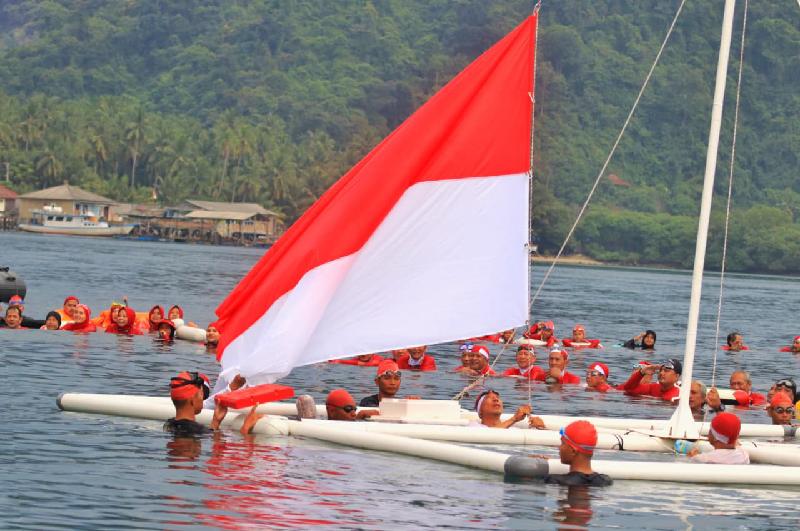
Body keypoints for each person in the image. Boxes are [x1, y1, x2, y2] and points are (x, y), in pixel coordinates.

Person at [164, 371, 262, 436]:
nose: (202, 398)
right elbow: (217, 454)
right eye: (201, 394)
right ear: (192, 400)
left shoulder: (169, 424)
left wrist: (216, 422)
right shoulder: (197, 430)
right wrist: (245, 428)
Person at [543, 420, 612, 486]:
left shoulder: (554, 481)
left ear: (573, 451)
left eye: (562, 443)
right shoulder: (606, 480)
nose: (559, 447)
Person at [470, 389, 544, 429]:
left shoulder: (513, 430)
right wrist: (514, 418)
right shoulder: (473, 426)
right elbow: (490, 435)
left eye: (497, 398)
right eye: (489, 398)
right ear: (480, 412)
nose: (496, 399)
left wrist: (540, 427)